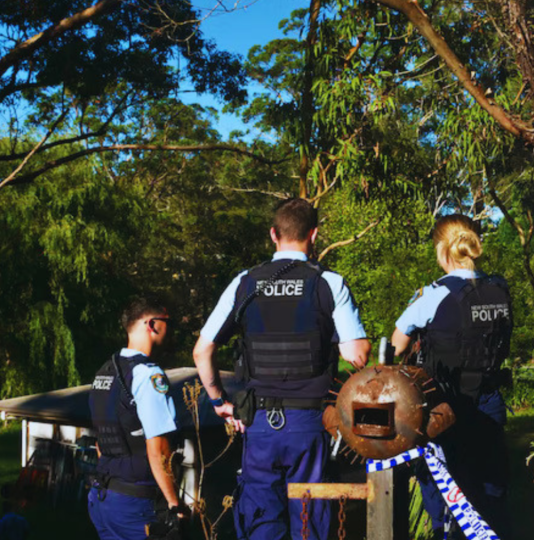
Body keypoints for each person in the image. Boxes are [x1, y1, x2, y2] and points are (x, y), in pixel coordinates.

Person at [193, 197, 371, 540]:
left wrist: (219, 403)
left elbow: (202, 351)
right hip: (309, 424)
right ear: (314, 235)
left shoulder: (243, 283)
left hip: (257, 424)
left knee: (260, 520)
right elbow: (357, 356)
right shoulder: (329, 283)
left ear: (273, 234)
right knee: (310, 520)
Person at [391, 214, 514, 539]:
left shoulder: (432, 295)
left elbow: (396, 344)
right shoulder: (500, 289)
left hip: (446, 413)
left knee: (449, 501)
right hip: (490, 405)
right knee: (490, 499)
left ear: (443, 252)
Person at [88, 298, 187, 540]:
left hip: (103, 497)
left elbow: (101, 442)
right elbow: (159, 449)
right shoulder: (147, 375)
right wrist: (175, 505)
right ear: (152, 324)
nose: (170, 329)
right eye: (168, 323)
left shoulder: (105, 371)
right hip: (135, 504)